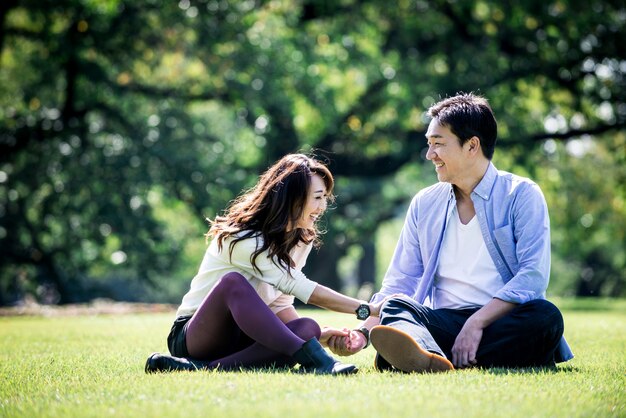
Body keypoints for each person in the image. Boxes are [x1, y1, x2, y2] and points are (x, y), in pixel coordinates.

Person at [328, 93, 573, 372]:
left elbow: (532, 279)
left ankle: (422, 355)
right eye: (429, 145)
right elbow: (401, 281)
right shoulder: (425, 203)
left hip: (499, 321)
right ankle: (430, 354)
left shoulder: (521, 194)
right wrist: (362, 332)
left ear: (472, 146)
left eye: (438, 144)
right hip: (442, 322)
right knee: (398, 306)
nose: (430, 155)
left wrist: (476, 323)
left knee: (546, 317)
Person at [145, 153, 380, 375]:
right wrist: (367, 309)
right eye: (317, 197)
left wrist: (318, 336)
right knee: (232, 284)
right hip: (197, 336)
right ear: (293, 199)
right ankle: (317, 360)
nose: (322, 207)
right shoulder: (242, 238)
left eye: (325, 198)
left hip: (244, 336)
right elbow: (301, 287)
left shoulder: (301, 239)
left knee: (308, 327)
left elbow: (280, 304)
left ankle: (199, 368)